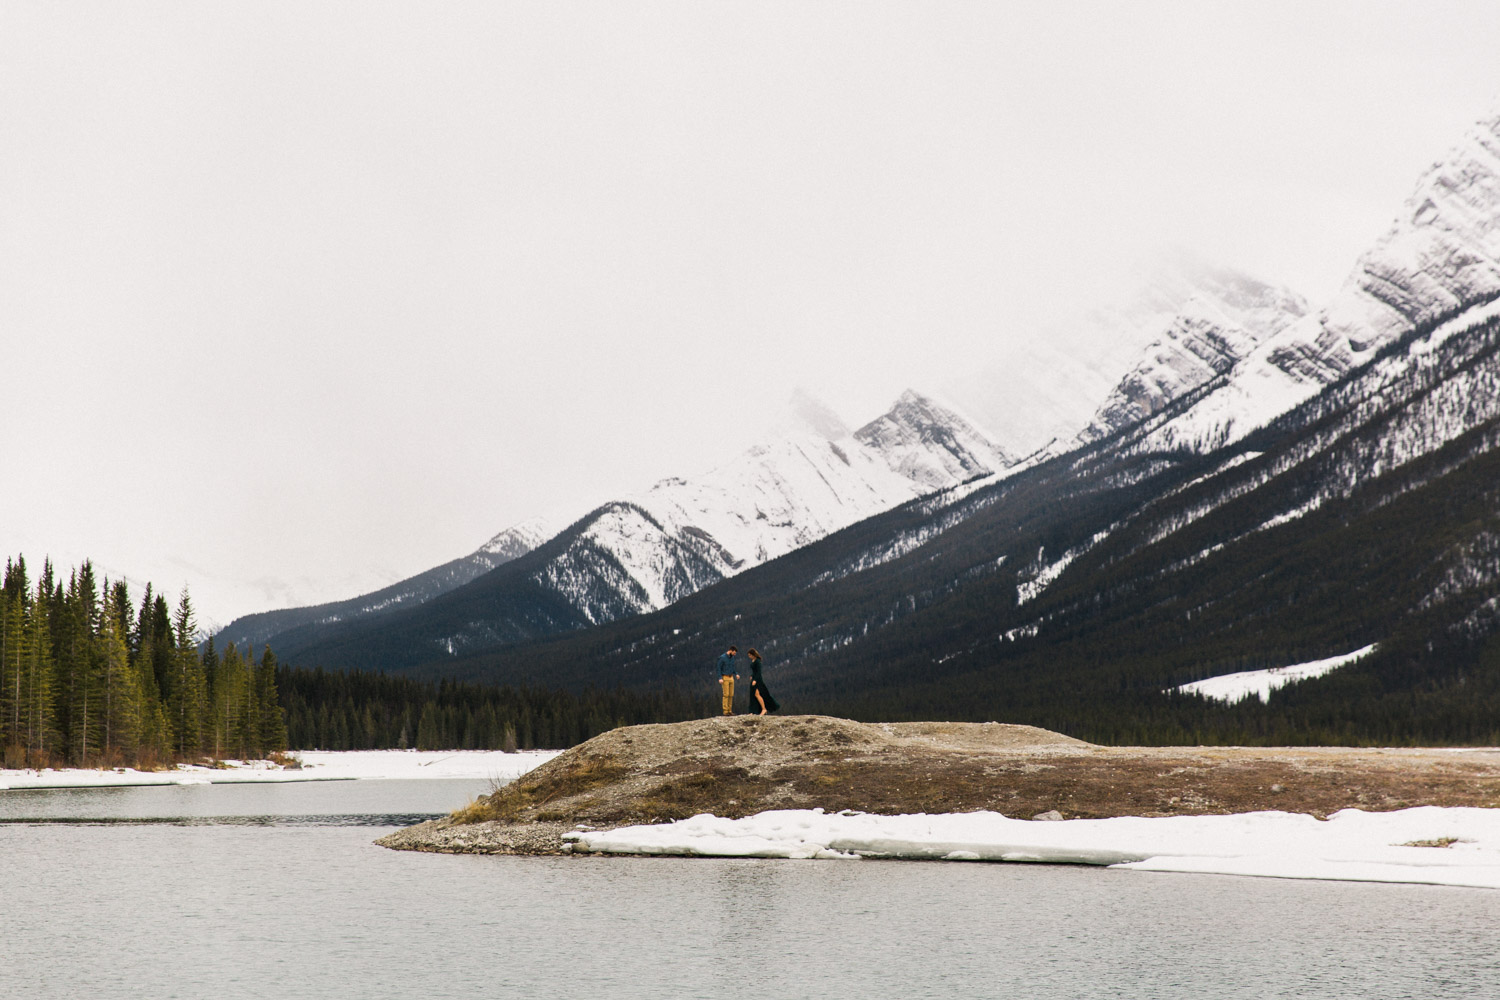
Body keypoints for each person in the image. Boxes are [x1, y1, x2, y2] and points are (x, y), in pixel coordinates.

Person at [746, 648, 779, 715]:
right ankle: (753, 711)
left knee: (757, 694)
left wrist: (755, 680)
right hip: (754, 678)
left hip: (758, 680)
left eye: (750, 655)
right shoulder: (753, 660)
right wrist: (752, 676)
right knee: (753, 695)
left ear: (753, 654)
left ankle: (763, 709)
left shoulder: (757, 661)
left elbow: (759, 672)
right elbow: (754, 671)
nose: (749, 656)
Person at [716, 645, 739, 716]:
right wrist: (720, 678)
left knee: (731, 694)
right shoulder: (722, 658)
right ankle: (725, 711)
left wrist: (736, 673)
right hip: (725, 677)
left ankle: (729, 710)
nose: (735, 654)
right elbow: (718, 668)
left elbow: (732, 667)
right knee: (726, 694)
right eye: (734, 653)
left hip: (731, 677)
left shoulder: (732, 658)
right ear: (731, 651)